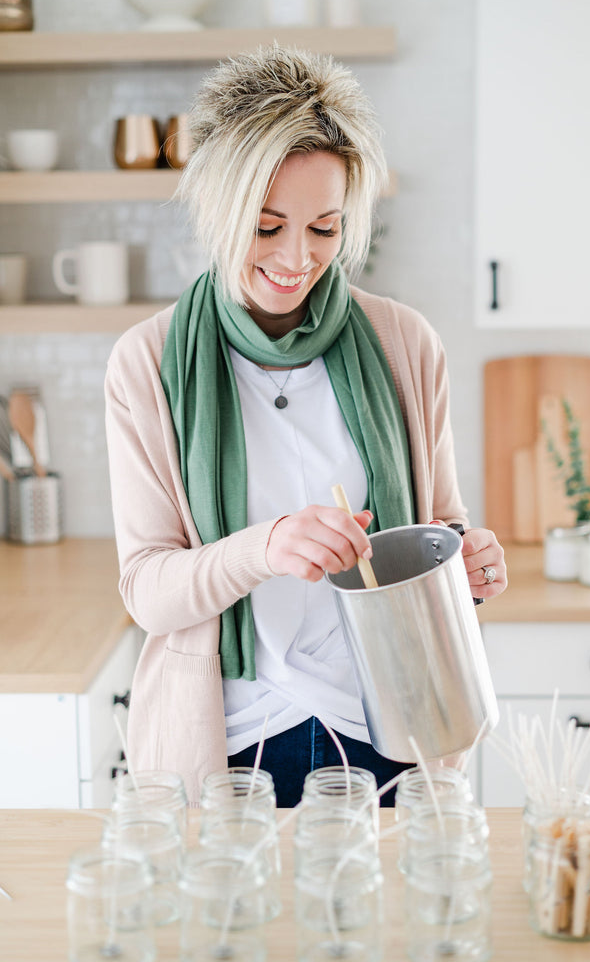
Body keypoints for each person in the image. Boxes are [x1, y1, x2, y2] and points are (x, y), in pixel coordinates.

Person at [104, 45, 507, 808]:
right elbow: (148, 592)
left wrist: (468, 565)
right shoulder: (148, 364)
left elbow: (440, 531)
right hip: (232, 749)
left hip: (392, 732)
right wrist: (265, 548)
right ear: (218, 213)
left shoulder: (405, 344)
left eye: (325, 227)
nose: (298, 258)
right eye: (266, 227)